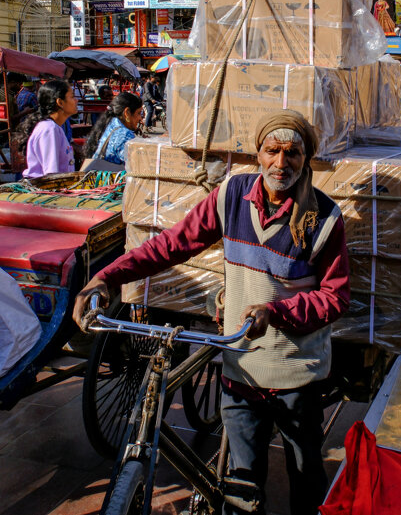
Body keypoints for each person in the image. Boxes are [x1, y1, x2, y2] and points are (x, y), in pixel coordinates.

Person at [73, 110, 350, 515]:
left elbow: (335, 297)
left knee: (306, 479)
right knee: (242, 487)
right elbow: (172, 244)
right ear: (258, 154)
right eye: (272, 150)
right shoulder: (231, 195)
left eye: (292, 153)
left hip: (296, 375)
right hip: (239, 369)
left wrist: (276, 312)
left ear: (305, 158)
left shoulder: (323, 218)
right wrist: (108, 277)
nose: (281, 162)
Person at [16, 80, 78, 178]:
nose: (76, 100)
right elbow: (51, 176)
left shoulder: (55, 127)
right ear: (60, 102)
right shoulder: (50, 129)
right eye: (72, 97)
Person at [84, 92, 142, 167]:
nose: (140, 118)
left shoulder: (110, 123)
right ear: (127, 112)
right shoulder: (124, 134)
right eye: (138, 113)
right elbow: (138, 164)